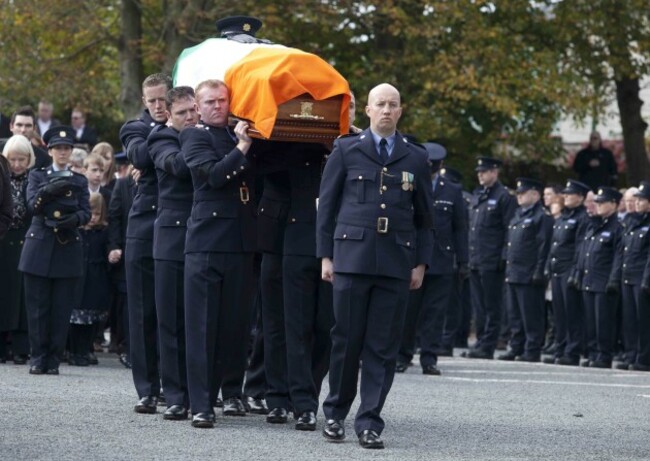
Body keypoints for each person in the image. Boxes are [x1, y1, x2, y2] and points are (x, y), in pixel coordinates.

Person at [316, 83, 433, 449]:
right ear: (367, 110)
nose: (386, 110)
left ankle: (370, 421)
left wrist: (421, 263)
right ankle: (335, 413)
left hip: (396, 263)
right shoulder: (346, 149)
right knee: (346, 341)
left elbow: (425, 218)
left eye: (393, 104)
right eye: (380, 104)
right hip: (352, 259)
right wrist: (325, 255)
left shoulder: (415, 158)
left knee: (382, 347)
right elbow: (328, 208)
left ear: (401, 111)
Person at [181, 79, 257, 428]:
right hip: (207, 243)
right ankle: (200, 404)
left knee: (233, 329)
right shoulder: (194, 136)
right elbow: (212, 176)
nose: (216, 106)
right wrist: (242, 148)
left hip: (240, 243)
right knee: (202, 327)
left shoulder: (241, 134)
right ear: (197, 107)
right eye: (209, 101)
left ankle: (225, 393)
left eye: (222, 100)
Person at [18, 126, 90, 375]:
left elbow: (86, 212)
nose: (62, 152)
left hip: (67, 245)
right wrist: (46, 191)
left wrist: (75, 220)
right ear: (49, 150)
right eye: (58, 148)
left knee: (61, 308)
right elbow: (32, 208)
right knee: (37, 308)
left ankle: (54, 358)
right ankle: (37, 356)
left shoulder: (79, 180)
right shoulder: (37, 176)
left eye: (66, 148)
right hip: (39, 245)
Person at [119, 73, 171, 413]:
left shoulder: (185, 126)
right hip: (143, 229)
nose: (157, 106)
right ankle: (148, 389)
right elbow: (138, 155)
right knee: (142, 314)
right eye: (151, 100)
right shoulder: (134, 127)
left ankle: (173, 386)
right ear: (143, 99)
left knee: (173, 312)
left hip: (175, 228)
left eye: (162, 99)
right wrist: (169, 136)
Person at [148, 85, 199, 420]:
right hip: (170, 239)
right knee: (171, 321)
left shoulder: (204, 135)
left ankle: (199, 394)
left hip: (201, 236)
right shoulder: (160, 139)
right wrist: (201, 145)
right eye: (183, 113)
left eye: (194, 110)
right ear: (168, 114)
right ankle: (175, 394)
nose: (191, 117)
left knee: (198, 321)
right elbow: (179, 167)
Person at [397, 142, 468, 375]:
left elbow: (460, 228)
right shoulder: (409, 183)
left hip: (441, 258)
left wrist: (463, 261)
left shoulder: (452, 190)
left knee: (435, 313)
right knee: (408, 312)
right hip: (413, 256)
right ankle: (403, 355)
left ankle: (429, 358)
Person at [464, 157, 517, 359]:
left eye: (484, 171)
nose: (480, 174)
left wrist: (503, 257)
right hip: (476, 258)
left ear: (494, 172)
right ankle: (480, 341)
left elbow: (507, 230)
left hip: (492, 259)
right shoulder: (479, 195)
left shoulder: (504, 197)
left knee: (491, 305)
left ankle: (488, 344)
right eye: (479, 171)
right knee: (479, 305)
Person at [498, 178, 553, 362]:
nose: (519, 196)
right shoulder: (518, 214)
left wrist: (539, 271)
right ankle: (517, 346)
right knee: (514, 314)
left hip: (529, 273)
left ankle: (532, 349)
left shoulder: (541, 216)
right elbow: (511, 242)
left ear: (536, 194)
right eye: (518, 193)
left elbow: (543, 246)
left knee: (531, 315)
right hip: (514, 272)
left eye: (523, 193)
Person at [544, 179, 591, 366]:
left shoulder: (582, 218)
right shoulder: (563, 216)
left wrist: (576, 271)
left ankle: (572, 351)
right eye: (565, 193)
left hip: (569, 270)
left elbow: (580, 248)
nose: (566, 197)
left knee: (572, 313)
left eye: (570, 194)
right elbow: (554, 244)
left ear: (580, 197)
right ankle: (560, 348)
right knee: (559, 314)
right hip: (557, 269)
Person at [578, 187, 623, 368]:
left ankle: (604, 355)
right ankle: (593, 352)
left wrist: (613, 279)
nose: (597, 206)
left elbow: (618, 257)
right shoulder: (595, 225)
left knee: (603, 321)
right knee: (591, 320)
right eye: (596, 202)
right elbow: (585, 253)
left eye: (601, 202)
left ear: (613, 204)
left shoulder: (617, 228)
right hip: (589, 279)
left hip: (604, 281)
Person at [0, 135, 33, 363]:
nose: (17, 164)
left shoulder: (35, 178)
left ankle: (22, 347)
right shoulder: (3, 177)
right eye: (13, 159)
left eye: (22, 159)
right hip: (4, 239)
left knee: (23, 296)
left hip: (26, 238)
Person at [68, 193, 110, 366]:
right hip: (78, 279)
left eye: (97, 214)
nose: (93, 218)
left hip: (95, 279)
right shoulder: (77, 232)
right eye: (90, 213)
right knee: (75, 318)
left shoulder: (103, 232)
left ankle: (86, 350)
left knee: (91, 319)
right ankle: (73, 351)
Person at [617, 181, 650, 370]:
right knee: (629, 319)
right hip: (628, 275)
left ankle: (644, 358)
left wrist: (647, 278)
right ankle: (631, 354)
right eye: (635, 200)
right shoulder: (631, 221)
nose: (636, 203)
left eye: (641, 200)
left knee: (643, 320)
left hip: (641, 277)